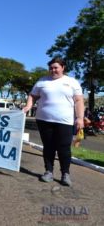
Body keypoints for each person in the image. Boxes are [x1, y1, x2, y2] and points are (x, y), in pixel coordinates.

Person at [23, 57, 84, 186]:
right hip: (44, 119)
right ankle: (48, 171)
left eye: (56, 67)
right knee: (48, 147)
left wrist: (79, 118)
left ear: (63, 68)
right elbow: (32, 95)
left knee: (64, 148)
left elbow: (79, 101)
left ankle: (65, 174)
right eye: (51, 68)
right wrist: (28, 106)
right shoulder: (42, 81)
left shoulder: (72, 82)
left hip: (65, 121)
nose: (53, 70)